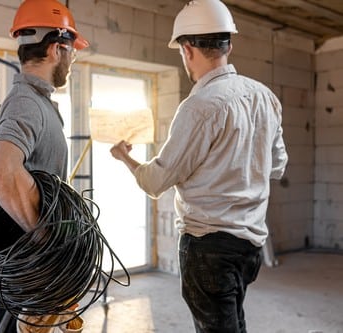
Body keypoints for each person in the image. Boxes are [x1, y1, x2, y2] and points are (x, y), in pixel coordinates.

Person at [110, 0, 288, 332]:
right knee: (232, 321)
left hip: (208, 247)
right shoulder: (265, 97)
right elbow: (277, 166)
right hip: (250, 246)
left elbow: (155, 181)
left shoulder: (199, 107)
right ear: (228, 45)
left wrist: (124, 157)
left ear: (187, 49)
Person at [0, 0, 88, 332]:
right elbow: (0, 170)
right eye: (73, 52)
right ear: (58, 49)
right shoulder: (26, 102)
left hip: (27, 260)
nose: (72, 62)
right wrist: (45, 238)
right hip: (23, 261)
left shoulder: (38, 102)